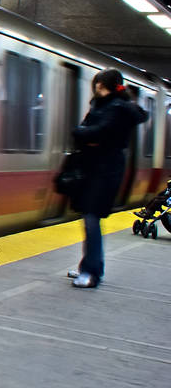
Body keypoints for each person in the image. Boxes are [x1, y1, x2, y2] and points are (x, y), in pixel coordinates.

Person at [67, 69, 148, 288]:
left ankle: (91, 273)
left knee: (92, 219)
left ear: (103, 85)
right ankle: (89, 267)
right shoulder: (104, 105)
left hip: (105, 172)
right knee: (89, 218)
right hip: (95, 169)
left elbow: (95, 132)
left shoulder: (117, 109)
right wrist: (86, 135)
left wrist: (83, 134)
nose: (96, 89)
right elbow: (89, 131)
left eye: (98, 85)